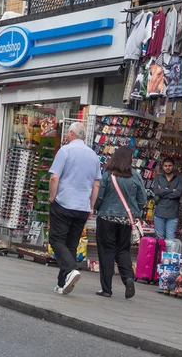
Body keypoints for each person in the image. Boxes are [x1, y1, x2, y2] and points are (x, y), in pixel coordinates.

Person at [48, 122, 101, 295]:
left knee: (56, 240)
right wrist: (91, 206)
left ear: (71, 134)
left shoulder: (65, 151)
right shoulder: (94, 156)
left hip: (64, 203)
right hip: (82, 207)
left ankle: (71, 269)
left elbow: (54, 177)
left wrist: (52, 197)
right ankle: (62, 283)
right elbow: (96, 185)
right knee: (71, 244)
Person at [94, 146, 147, 299]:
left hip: (106, 218)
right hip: (125, 220)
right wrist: (133, 208)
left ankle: (106, 289)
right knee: (123, 250)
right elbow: (142, 199)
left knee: (106, 252)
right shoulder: (136, 176)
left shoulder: (108, 175)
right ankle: (128, 278)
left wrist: (98, 208)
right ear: (130, 159)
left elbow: (99, 197)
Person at [152, 157, 182, 239]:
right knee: (159, 239)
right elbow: (156, 192)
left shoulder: (179, 179)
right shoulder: (158, 178)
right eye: (165, 166)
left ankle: (167, 252)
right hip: (160, 212)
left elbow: (178, 193)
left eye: (170, 165)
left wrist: (162, 191)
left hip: (172, 213)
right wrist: (172, 190)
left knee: (170, 239)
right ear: (162, 167)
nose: (167, 168)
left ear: (173, 166)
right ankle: (160, 252)